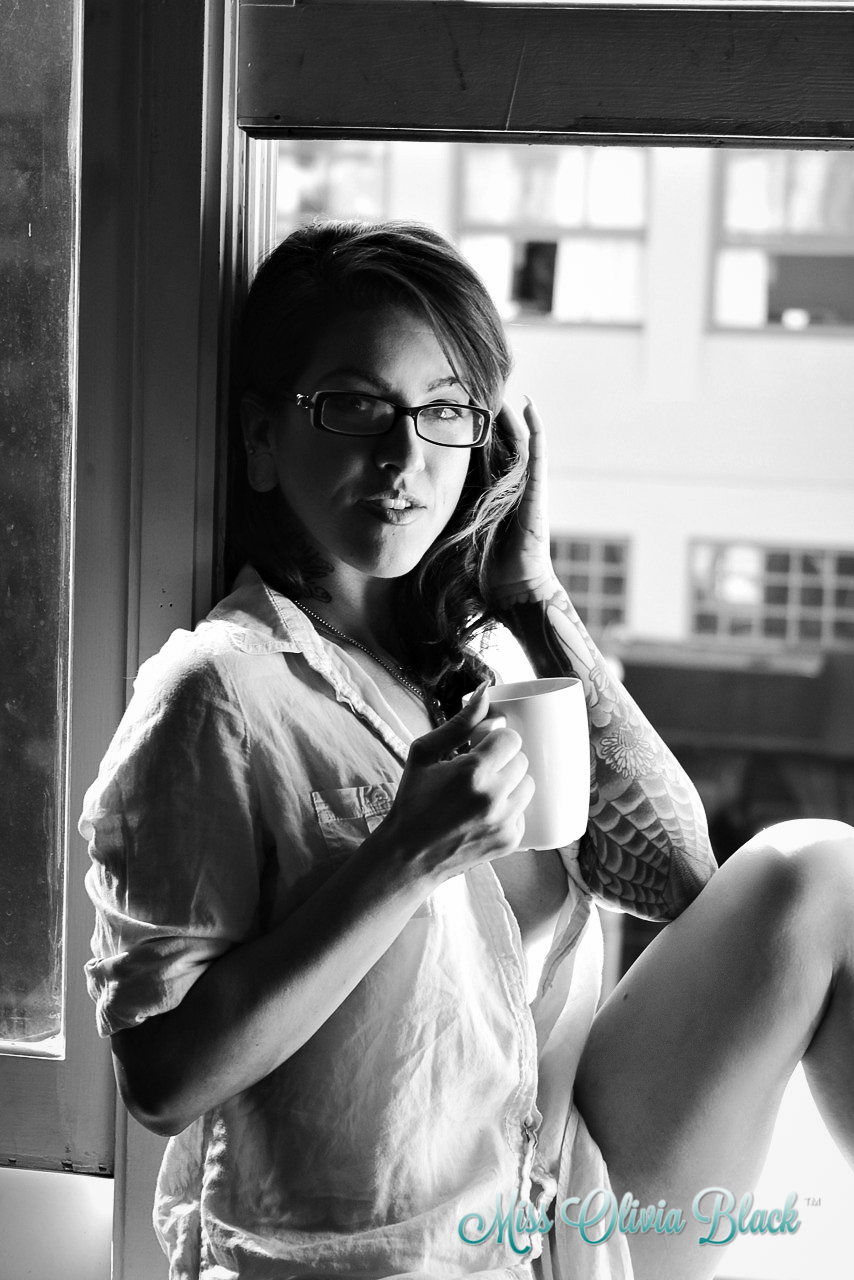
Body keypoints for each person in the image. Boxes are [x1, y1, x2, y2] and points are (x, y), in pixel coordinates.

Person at [80, 220, 854, 1280]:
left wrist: (532, 592)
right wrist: (403, 854)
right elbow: (160, 1077)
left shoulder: (477, 659)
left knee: (820, 872)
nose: (402, 457)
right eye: (354, 405)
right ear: (261, 437)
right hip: (381, 1255)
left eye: (442, 409)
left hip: (551, 1204)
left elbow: (682, 878)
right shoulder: (221, 692)